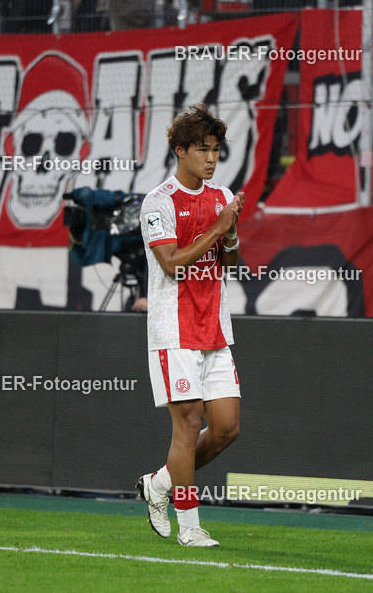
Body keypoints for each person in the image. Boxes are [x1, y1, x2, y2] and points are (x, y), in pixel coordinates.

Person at [136, 104, 245, 548]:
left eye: (216, 149)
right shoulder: (158, 202)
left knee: (226, 428)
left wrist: (230, 233)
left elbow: (231, 263)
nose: (211, 158)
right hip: (173, 330)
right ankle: (189, 525)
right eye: (202, 149)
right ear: (180, 151)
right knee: (187, 425)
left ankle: (159, 483)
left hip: (214, 328)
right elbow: (171, 263)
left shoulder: (222, 195)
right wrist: (219, 227)